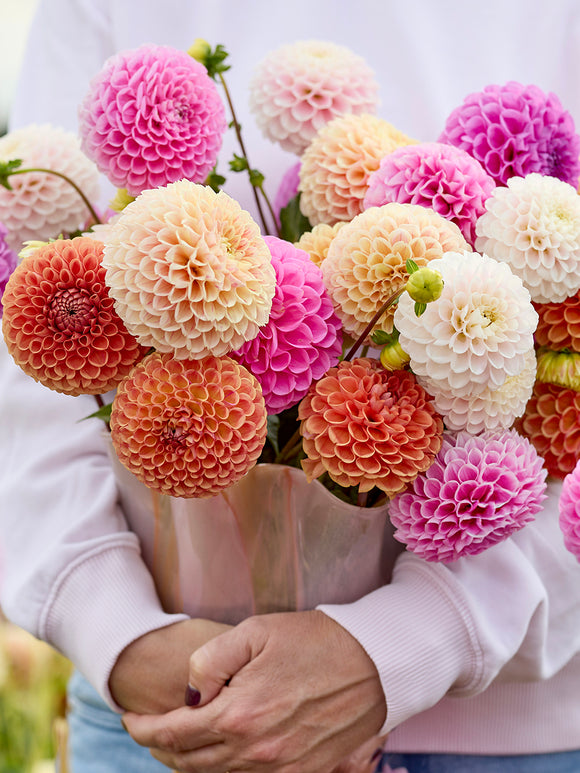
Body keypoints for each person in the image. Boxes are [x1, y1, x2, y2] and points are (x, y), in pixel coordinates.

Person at [2, 1, 580, 771]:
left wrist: (411, 643)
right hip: (174, 708)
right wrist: (117, 627)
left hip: (500, 736)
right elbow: (23, 350)